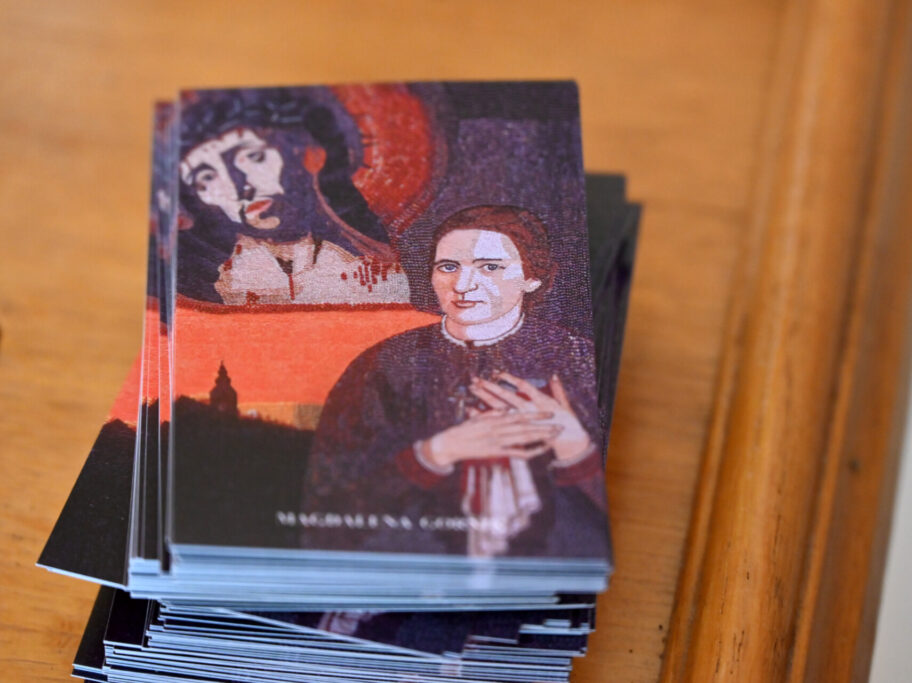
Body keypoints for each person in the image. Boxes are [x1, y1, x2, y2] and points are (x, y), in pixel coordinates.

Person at [304, 205, 609, 559]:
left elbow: (611, 515)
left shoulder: (577, 359)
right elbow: (327, 502)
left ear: (533, 277)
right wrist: (435, 454)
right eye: (448, 267)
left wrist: (575, 449)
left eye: (490, 267)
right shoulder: (386, 364)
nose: (463, 286)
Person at [176, 89, 409, 305]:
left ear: (310, 154)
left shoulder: (381, 274)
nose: (239, 188)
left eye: (254, 157)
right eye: (207, 178)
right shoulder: (212, 289)